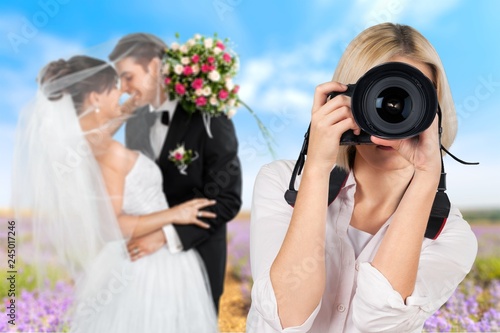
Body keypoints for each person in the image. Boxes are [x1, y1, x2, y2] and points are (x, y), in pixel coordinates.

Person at [246, 23, 478, 332]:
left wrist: (427, 176)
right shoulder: (281, 183)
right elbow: (285, 317)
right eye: (379, 98)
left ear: (435, 113)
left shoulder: (450, 235)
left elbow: (379, 323)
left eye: (408, 101)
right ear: (343, 99)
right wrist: (316, 167)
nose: (392, 114)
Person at [12, 55, 219, 332]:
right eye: (114, 88)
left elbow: (99, 138)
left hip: (130, 261)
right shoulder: (110, 152)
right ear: (96, 97)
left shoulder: (80, 146)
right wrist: (176, 213)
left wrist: (126, 108)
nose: (121, 91)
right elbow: (113, 225)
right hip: (149, 265)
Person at [108, 33, 242, 312]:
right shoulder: (134, 122)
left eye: (128, 77)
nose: (123, 87)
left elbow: (227, 198)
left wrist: (165, 236)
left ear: (155, 67)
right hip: (143, 266)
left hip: (198, 260)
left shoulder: (209, 116)